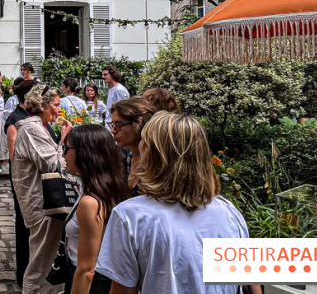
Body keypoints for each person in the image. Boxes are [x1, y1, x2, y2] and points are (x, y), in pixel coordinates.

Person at [96, 113, 261, 294]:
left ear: (154, 155)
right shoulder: (229, 213)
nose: (140, 146)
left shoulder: (130, 216)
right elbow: (247, 283)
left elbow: (123, 291)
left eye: (144, 141)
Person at [12, 84, 73, 294]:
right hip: (41, 203)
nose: (59, 110)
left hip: (45, 201)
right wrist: (65, 139)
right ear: (43, 105)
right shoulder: (31, 129)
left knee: (48, 259)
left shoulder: (39, 127)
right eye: (56, 105)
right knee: (40, 263)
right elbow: (53, 165)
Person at [62, 125, 133, 294]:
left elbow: (87, 269)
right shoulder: (111, 187)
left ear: (85, 153)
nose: (63, 154)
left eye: (66, 148)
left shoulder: (90, 202)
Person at [3, 78, 39, 287]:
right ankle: (24, 273)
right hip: (24, 181)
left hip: (34, 179)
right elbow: (14, 156)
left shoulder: (32, 116)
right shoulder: (15, 119)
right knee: (25, 225)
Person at [109, 98, 156, 193]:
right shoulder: (129, 157)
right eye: (113, 125)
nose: (113, 131)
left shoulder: (155, 161)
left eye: (118, 125)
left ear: (139, 123)